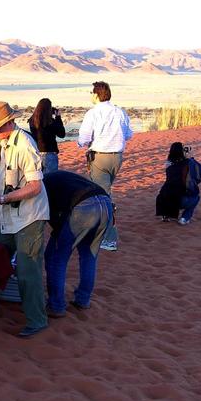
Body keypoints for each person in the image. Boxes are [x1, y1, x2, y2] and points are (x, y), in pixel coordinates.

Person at [0, 101, 50, 338]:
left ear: (9, 122)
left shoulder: (25, 145)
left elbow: (35, 186)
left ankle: (37, 320)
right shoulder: (2, 143)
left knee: (28, 270)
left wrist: (2, 199)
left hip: (29, 218)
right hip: (5, 216)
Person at [43, 170, 113, 317]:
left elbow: (51, 216)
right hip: (106, 204)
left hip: (84, 208)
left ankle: (56, 305)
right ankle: (83, 299)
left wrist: (57, 234)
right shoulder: (57, 176)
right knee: (89, 255)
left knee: (55, 257)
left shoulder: (41, 186)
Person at [77, 81, 133, 251]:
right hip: (117, 158)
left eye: (91, 93)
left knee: (103, 196)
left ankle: (109, 238)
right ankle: (98, 230)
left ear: (96, 94)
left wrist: (82, 144)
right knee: (104, 193)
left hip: (99, 158)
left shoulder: (93, 113)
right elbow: (128, 134)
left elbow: (84, 138)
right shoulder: (120, 112)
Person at [155, 142, 201, 225]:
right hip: (178, 200)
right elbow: (198, 174)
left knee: (168, 191)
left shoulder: (168, 164)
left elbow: (175, 163)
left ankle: (166, 215)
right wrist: (191, 156)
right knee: (196, 197)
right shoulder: (188, 163)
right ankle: (184, 218)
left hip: (163, 199)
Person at [27, 98, 65, 173]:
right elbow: (62, 134)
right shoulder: (50, 122)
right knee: (51, 179)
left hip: (36, 152)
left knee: (40, 179)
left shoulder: (32, 120)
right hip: (50, 153)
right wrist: (58, 118)